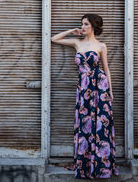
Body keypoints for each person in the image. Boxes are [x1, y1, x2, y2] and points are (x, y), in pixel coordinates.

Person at [51, 13, 119, 179]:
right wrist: (70, 31)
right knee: (85, 124)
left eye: (85, 24)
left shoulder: (101, 46)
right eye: (82, 24)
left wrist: (110, 90)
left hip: (99, 86)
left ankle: (101, 167)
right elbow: (54, 39)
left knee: (101, 125)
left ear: (93, 27)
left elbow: (106, 69)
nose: (82, 27)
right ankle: (86, 166)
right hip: (84, 88)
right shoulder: (77, 43)